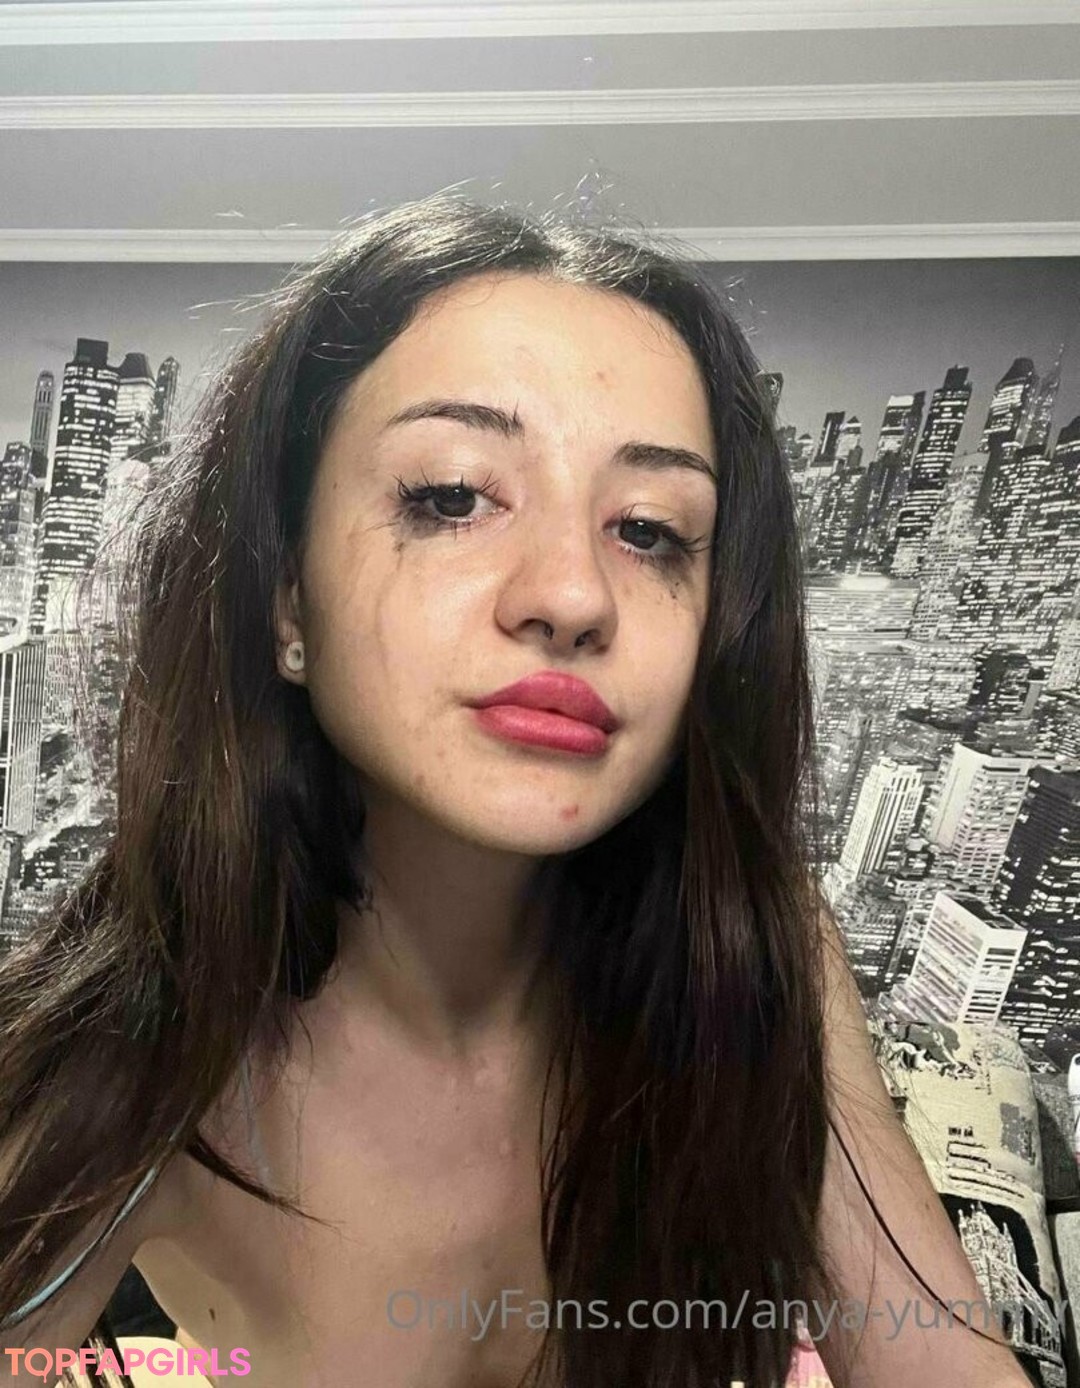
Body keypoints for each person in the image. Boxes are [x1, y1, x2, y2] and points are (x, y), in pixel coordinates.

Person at [0, 194, 1037, 1388]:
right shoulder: (145, 1035)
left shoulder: (757, 955)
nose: (574, 592)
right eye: (452, 495)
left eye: (649, 530)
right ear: (288, 600)